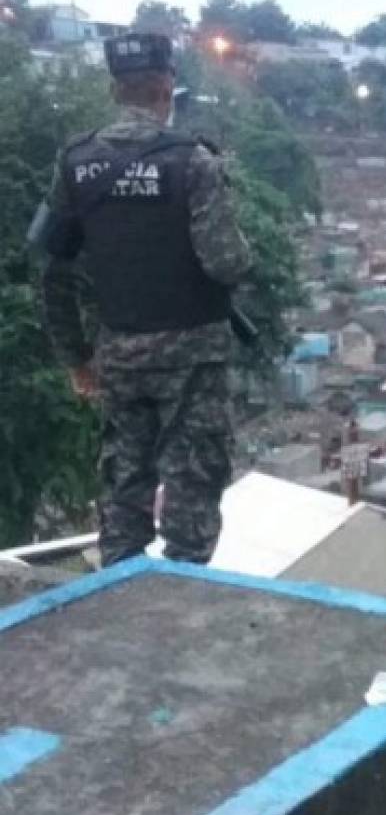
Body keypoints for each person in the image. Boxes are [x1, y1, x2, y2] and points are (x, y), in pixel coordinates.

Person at [30, 33, 252, 568]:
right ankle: (182, 602)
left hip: (119, 355)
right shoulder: (194, 163)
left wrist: (76, 358)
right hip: (192, 361)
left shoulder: (76, 162)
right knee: (191, 487)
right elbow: (227, 262)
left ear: (114, 89)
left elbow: (49, 268)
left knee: (123, 484)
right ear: (168, 86)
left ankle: (118, 595)